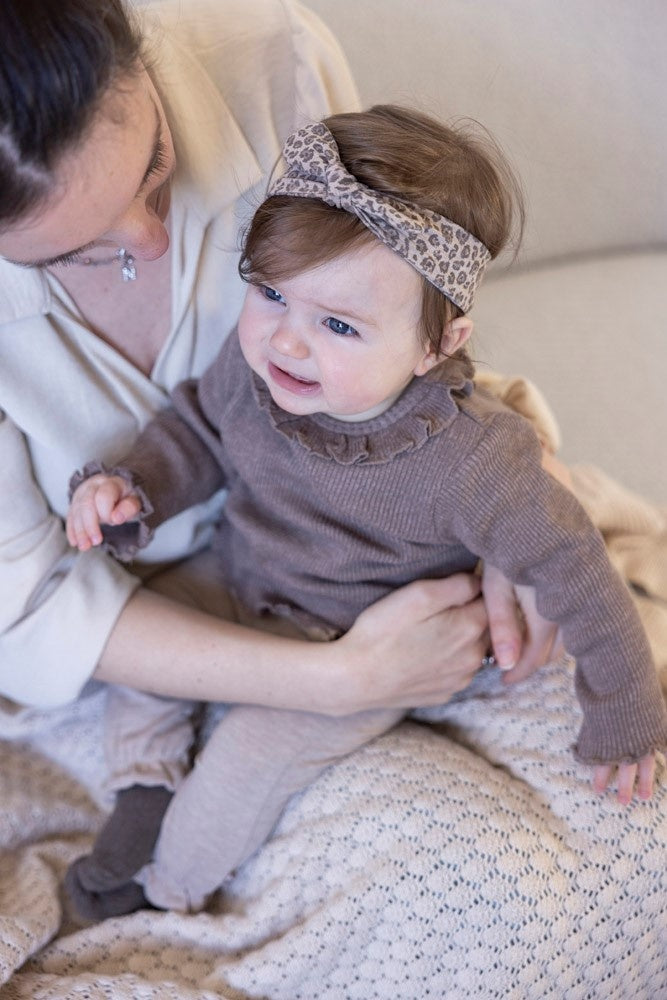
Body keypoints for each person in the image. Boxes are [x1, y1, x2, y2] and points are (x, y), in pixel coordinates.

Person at [0, 0, 552, 921]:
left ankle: (172, 876)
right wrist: (344, 680)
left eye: (154, 163)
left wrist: (510, 519)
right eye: (76, 252)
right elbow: (29, 609)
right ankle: (152, 841)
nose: (150, 240)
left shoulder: (275, 58)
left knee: (516, 878)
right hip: (143, 620)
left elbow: (394, 314)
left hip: (379, 545)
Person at [64, 105, 666, 916]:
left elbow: (577, 573)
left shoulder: (473, 461)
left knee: (249, 756)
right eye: (270, 293)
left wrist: (624, 710)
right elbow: (197, 430)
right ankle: (143, 787)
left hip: (368, 638)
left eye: (339, 325)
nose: (286, 342)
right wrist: (134, 487)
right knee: (143, 651)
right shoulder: (256, 369)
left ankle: (163, 889)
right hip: (240, 572)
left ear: (437, 345)